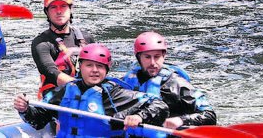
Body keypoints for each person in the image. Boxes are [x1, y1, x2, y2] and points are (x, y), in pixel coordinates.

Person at [13, 44, 169, 138]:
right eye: (89, 65)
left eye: (100, 66)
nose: (94, 70)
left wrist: (139, 116)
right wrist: (24, 109)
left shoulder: (114, 94)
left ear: (106, 70)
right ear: (81, 67)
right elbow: (38, 121)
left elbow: (159, 105)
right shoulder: (64, 91)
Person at [118, 32, 217, 135]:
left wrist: (182, 120)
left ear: (163, 56)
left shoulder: (177, 84)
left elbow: (210, 115)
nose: (152, 63)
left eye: (157, 57)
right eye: (147, 57)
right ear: (139, 57)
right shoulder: (126, 83)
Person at [32, 0, 95, 98]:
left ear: (70, 9)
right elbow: (52, 73)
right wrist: (83, 89)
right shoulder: (40, 43)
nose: (59, 11)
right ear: (47, 12)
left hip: (87, 93)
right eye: (53, 7)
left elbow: (99, 67)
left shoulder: (87, 38)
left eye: (63, 6)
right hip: (56, 97)